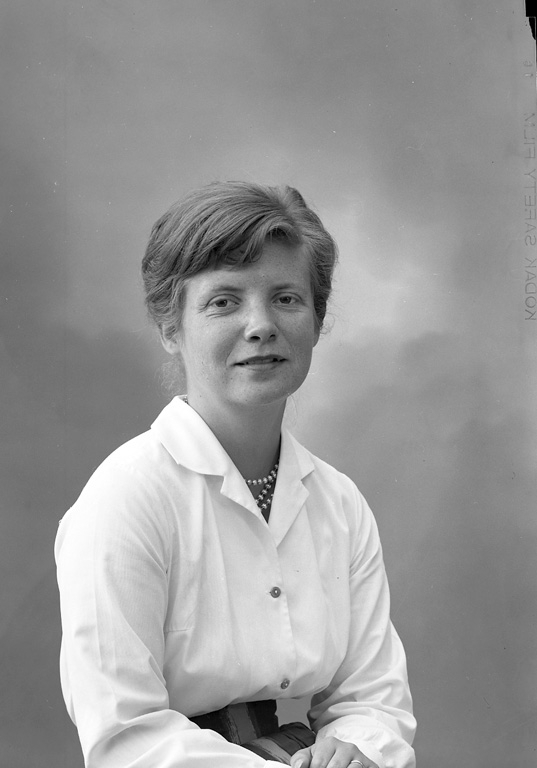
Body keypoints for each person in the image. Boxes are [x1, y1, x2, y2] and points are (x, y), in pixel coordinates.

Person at [55, 181, 416, 768]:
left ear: (317, 319)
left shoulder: (340, 503)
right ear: (171, 328)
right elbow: (126, 737)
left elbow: (373, 697)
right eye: (224, 302)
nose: (260, 325)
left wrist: (359, 749)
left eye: (287, 298)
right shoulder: (126, 497)